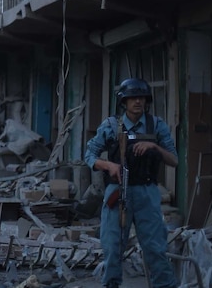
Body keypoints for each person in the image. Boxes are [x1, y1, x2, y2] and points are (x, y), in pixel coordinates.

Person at [84, 78, 178, 288]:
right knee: (113, 247)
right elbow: (89, 155)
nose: (138, 101)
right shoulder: (110, 125)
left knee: (155, 248)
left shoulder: (157, 125)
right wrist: (108, 165)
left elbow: (174, 160)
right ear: (123, 102)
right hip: (117, 191)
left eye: (142, 97)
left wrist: (153, 147)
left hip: (146, 192)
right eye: (132, 97)